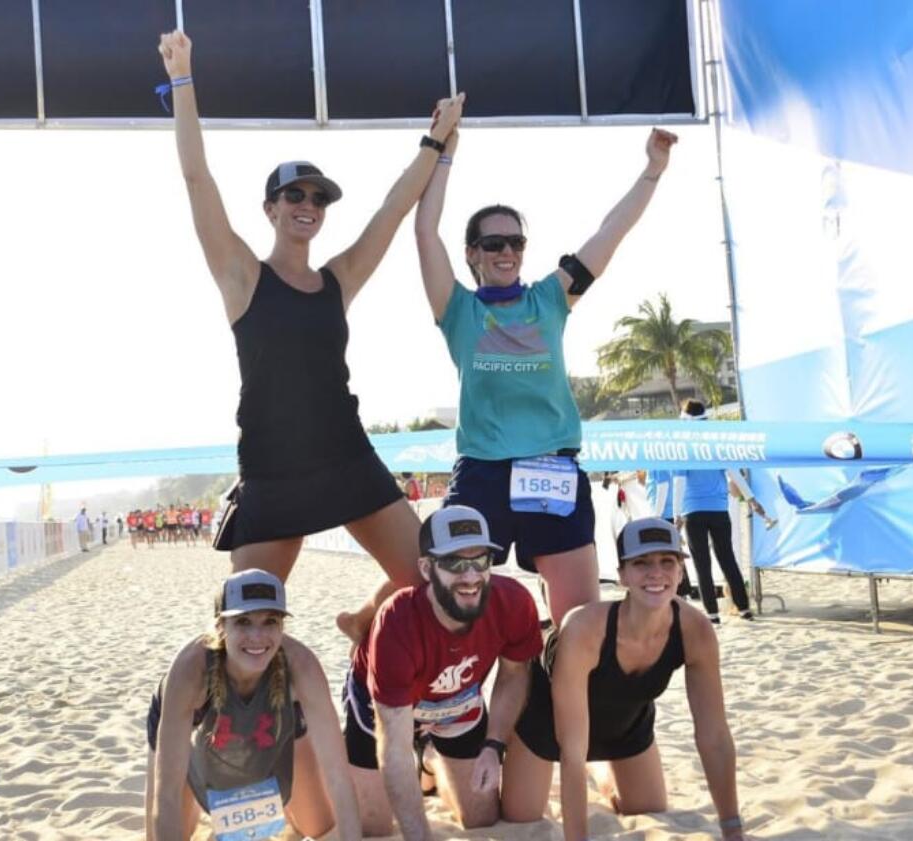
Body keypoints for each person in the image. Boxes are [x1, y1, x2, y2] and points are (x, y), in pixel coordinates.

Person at [157, 30, 464, 640]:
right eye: (293, 195)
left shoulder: (338, 281)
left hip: (347, 458)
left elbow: (392, 212)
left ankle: (362, 621)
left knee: (434, 590)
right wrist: (185, 78)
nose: (307, 205)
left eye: (317, 198)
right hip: (273, 472)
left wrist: (436, 140)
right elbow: (198, 180)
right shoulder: (243, 276)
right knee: (243, 623)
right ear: (270, 209)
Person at [415, 123, 678, 627]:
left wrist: (652, 170)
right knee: (446, 612)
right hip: (483, 474)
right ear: (471, 253)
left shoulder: (550, 298)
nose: (506, 253)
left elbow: (610, 233)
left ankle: (565, 702)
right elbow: (425, 231)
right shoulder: (458, 309)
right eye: (493, 243)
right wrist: (443, 155)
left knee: (581, 623)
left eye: (515, 241)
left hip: (552, 472)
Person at [503, 517, 745, 841]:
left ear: (681, 572)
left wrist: (732, 828)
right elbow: (571, 750)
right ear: (622, 575)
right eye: (641, 563)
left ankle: (601, 769)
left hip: (625, 720)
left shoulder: (695, 630)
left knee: (649, 807)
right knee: (520, 815)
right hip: (549, 720)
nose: (655, 573)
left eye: (667, 562)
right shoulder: (584, 628)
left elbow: (713, 735)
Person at [343, 506, 542, 840]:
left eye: (480, 561)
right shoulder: (397, 620)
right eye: (453, 563)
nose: (470, 577)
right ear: (426, 567)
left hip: (457, 703)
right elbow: (393, 748)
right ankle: (347, 757)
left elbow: (514, 675)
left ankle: (432, 760)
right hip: (384, 711)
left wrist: (494, 746)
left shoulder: (514, 602)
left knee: (481, 819)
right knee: (374, 826)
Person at [146, 569, 362, 840]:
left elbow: (339, 776)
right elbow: (166, 792)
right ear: (221, 626)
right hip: (195, 728)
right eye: (243, 621)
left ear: (282, 626)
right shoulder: (190, 672)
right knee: (168, 831)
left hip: (274, 720)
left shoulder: (302, 665)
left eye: (270, 621)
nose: (257, 636)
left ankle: (278, 801)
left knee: (318, 826)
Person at [659, 399, 766, 624]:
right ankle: (744, 609)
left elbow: (679, 481)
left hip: (693, 512)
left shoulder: (683, 447)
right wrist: (751, 499)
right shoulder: (715, 443)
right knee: (727, 559)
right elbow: (734, 473)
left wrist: (677, 514)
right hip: (718, 510)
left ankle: (712, 614)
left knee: (702, 564)